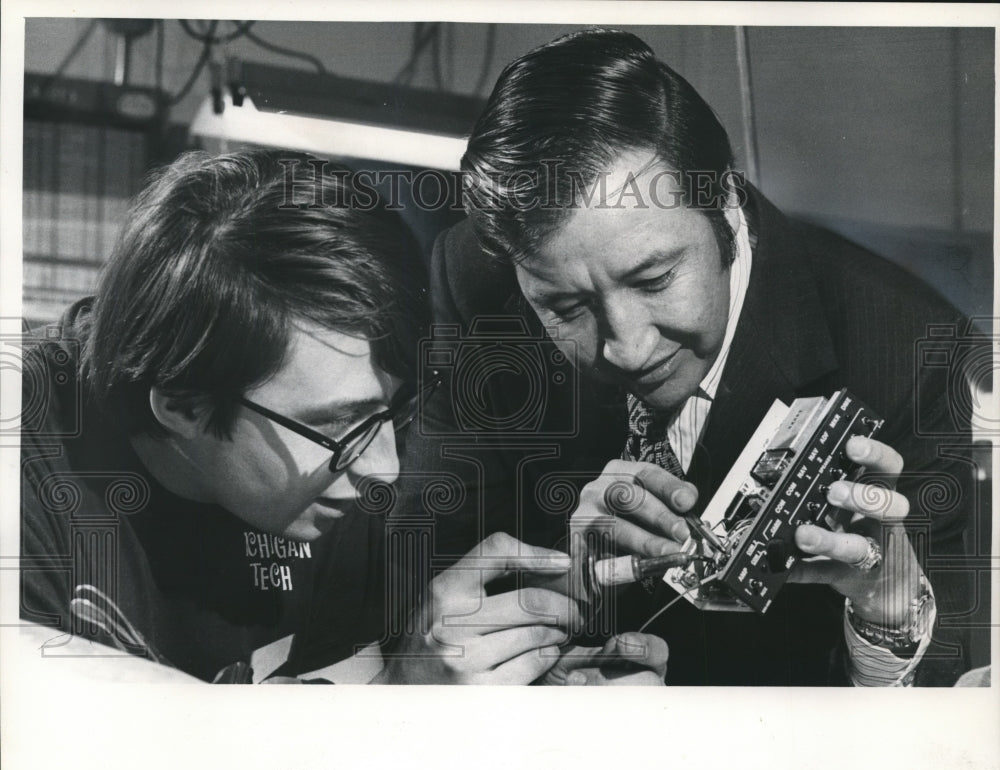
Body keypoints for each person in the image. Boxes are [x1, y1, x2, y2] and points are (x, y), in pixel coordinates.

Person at [407, 29, 982, 686]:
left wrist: (886, 600)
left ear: (728, 214)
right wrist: (562, 605)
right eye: (566, 307)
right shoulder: (477, 281)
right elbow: (422, 560)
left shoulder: (909, 351)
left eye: (654, 280)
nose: (626, 347)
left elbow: (943, 712)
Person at [19, 148, 667, 685]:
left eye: (396, 410)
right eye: (340, 428)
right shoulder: (22, 468)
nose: (382, 467)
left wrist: (546, 641)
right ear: (184, 404)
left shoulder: (344, 463)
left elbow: (363, 663)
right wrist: (398, 705)